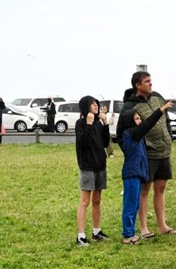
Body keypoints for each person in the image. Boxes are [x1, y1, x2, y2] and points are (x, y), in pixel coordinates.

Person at [118, 71, 176, 239]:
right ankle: (144, 229)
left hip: (164, 151)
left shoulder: (157, 97)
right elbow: (121, 133)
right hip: (148, 154)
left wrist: (169, 137)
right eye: (147, 81)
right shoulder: (130, 106)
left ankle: (162, 225)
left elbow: (165, 119)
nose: (151, 84)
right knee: (144, 190)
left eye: (151, 81)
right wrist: (133, 152)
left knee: (161, 188)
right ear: (138, 85)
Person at [75, 96, 111, 246]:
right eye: (92, 104)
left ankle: (97, 231)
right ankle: (80, 236)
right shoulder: (80, 123)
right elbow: (84, 142)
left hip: (100, 165)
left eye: (96, 103)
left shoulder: (98, 123)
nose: (96, 106)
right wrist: (89, 124)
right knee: (85, 201)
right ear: (85, 107)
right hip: (87, 166)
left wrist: (106, 123)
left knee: (97, 200)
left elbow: (104, 142)